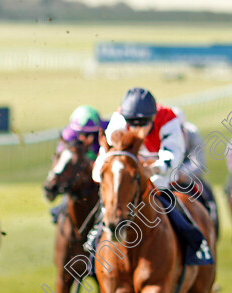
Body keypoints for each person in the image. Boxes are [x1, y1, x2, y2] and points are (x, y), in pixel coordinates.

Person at [91, 87, 212, 265]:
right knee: (105, 211)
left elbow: (173, 155)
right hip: (129, 178)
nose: (137, 129)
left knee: (177, 212)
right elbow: (108, 152)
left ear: (154, 117)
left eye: (143, 123)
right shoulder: (119, 118)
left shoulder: (168, 119)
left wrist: (153, 169)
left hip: (161, 179)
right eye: (132, 123)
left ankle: (195, 246)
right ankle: (91, 252)